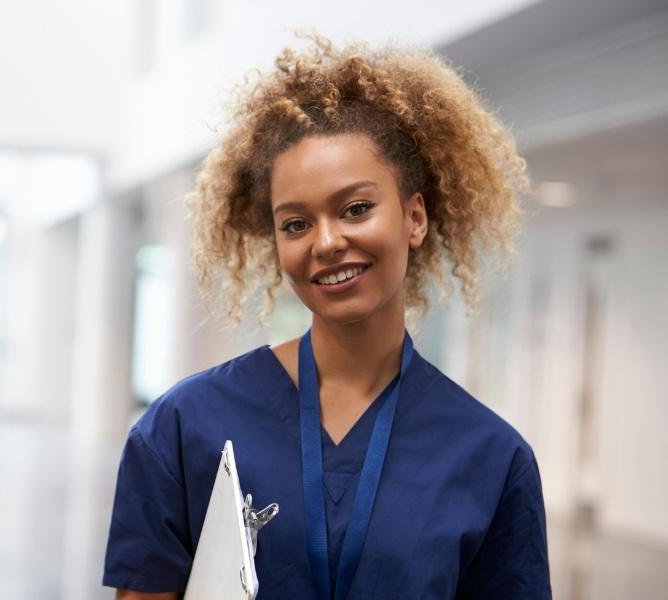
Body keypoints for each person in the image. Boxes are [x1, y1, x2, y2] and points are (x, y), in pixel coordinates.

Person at [102, 36, 551, 600]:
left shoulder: (491, 457)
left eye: (356, 208)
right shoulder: (183, 427)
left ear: (414, 218)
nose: (328, 242)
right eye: (295, 224)